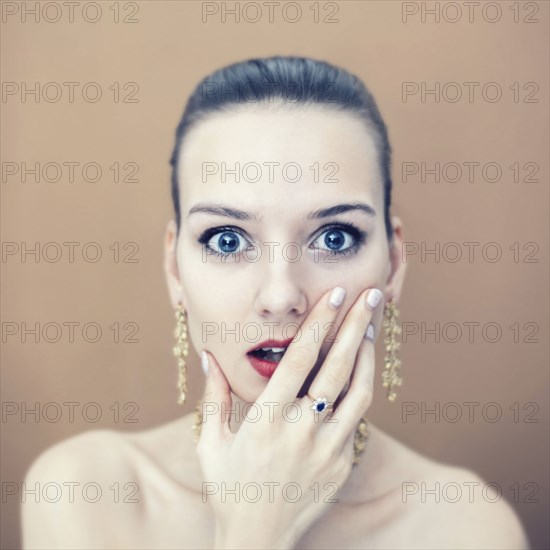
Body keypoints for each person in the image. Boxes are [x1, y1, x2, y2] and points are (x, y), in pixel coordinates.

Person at [21, 56, 529, 549]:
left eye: (334, 238)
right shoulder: (86, 494)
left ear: (393, 264)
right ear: (175, 268)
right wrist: (256, 528)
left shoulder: (463, 527)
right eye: (226, 239)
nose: (281, 297)